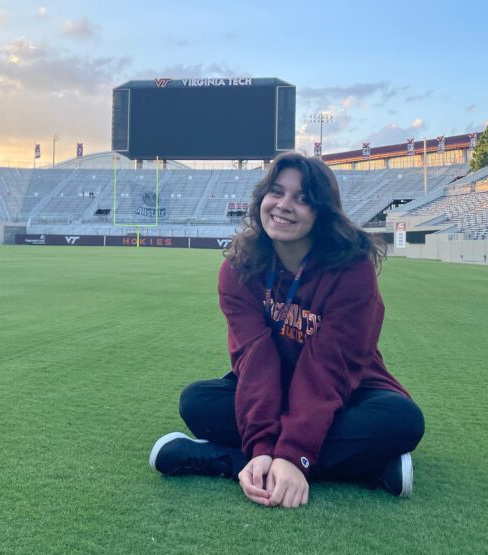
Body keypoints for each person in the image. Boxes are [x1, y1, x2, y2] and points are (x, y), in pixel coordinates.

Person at [149, 152, 424, 508]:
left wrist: (294, 455)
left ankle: (226, 460)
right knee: (197, 402)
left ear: (322, 211)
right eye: (276, 192)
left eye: (303, 198)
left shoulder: (351, 269)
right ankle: (369, 466)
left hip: (345, 388)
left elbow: (329, 367)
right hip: (271, 385)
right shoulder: (239, 269)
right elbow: (255, 359)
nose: (284, 205)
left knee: (401, 421)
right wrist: (264, 445)